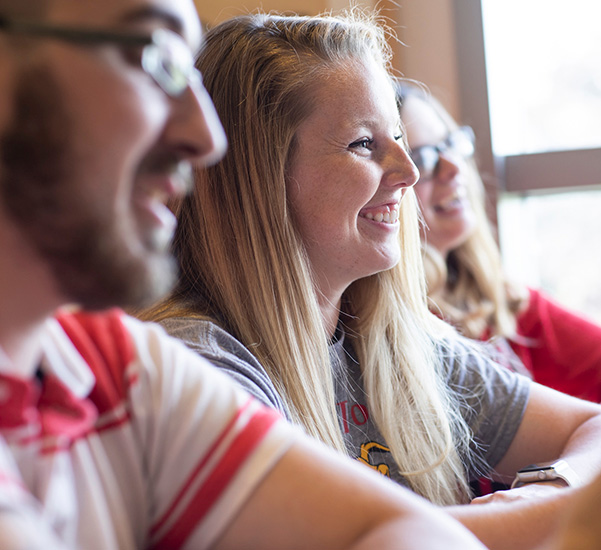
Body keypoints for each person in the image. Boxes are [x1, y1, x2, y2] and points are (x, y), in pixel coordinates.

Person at [0, 1, 494, 549]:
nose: (207, 139)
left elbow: (403, 531)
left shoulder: (115, 363)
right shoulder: (189, 350)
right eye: (152, 56)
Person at [141, 10, 601, 549]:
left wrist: (545, 491)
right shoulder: (197, 361)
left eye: (400, 139)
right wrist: (566, 510)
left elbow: (590, 427)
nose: (409, 171)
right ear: (259, 177)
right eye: (364, 144)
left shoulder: (393, 341)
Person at [397, 81, 601, 402]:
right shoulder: (396, 326)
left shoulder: (502, 301)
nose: (453, 168)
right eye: (423, 159)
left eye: (450, 144)